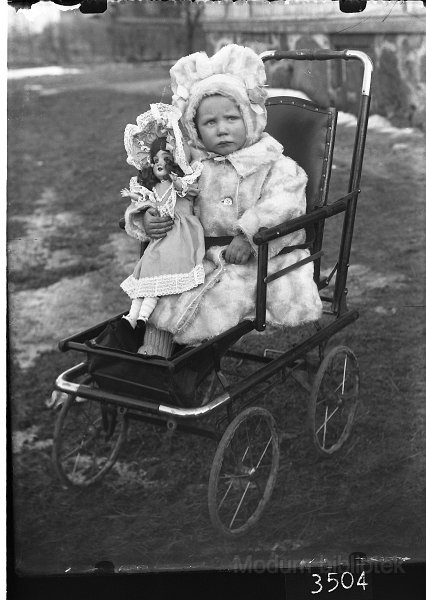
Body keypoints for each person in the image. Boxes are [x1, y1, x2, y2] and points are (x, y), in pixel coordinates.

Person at [124, 45, 323, 348]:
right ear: (195, 129)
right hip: (198, 259)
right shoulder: (190, 166)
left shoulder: (275, 164)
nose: (222, 130)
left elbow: (284, 203)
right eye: (210, 123)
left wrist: (249, 235)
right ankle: (154, 358)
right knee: (163, 297)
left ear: (249, 118)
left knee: (211, 305)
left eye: (231, 118)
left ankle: (186, 364)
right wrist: (149, 215)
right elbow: (166, 192)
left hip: (260, 263)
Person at [120, 103, 205, 346]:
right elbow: (145, 203)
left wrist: (178, 182)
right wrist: (143, 213)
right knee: (149, 273)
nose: (160, 163)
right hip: (162, 238)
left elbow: (188, 190)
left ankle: (144, 318)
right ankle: (133, 318)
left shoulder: (184, 179)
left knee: (161, 279)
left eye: (166, 158)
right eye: (155, 159)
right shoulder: (155, 186)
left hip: (181, 238)